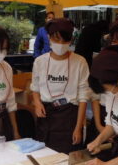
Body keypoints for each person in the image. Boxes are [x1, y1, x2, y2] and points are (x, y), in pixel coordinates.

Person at [30, 18, 89, 154]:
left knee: (65, 157)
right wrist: (37, 103)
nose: (61, 44)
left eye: (65, 40)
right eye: (56, 40)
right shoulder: (40, 61)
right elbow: (35, 88)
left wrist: (78, 127)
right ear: (49, 38)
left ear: (70, 40)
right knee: (43, 156)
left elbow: (83, 97)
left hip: (68, 117)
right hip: (45, 115)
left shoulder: (80, 62)